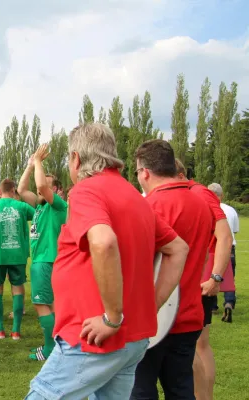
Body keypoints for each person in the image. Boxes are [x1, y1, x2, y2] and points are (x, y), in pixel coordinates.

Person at [26, 123, 189, 399]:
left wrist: (112, 318)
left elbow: (103, 241)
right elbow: (178, 248)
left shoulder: (86, 190)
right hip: (132, 338)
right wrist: (152, 304)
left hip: (93, 338)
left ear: (76, 158)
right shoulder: (134, 196)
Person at [132, 140, 214, 399]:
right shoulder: (201, 203)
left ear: (145, 172)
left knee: (141, 390)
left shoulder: (149, 206)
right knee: (181, 389)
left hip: (152, 317)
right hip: (189, 313)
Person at [177, 160, 234, 400]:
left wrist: (215, 277)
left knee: (193, 345)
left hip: (201, 276)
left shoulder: (199, 193)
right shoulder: (191, 193)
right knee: (198, 344)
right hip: (195, 274)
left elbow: (225, 236)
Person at [17, 146, 68, 361]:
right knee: (53, 305)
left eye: (46, 185)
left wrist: (38, 160)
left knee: (41, 304)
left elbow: (39, 185)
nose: (40, 189)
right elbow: (21, 189)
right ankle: (60, 347)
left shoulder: (57, 205)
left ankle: (49, 350)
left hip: (46, 261)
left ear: (55, 190)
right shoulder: (39, 207)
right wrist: (30, 165)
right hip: (46, 261)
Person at [0, 178, 34, 341]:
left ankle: (0, 331)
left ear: (1, 190)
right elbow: (39, 218)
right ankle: (16, 332)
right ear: (13, 190)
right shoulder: (22, 206)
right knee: (17, 289)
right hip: (18, 254)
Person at [207, 182, 239, 322]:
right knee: (229, 277)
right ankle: (229, 302)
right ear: (222, 194)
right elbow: (236, 230)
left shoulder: (206, 207)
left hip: (213, 248)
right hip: (230, 247)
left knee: (212, 275)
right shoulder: (230, 210)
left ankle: (212, 305)